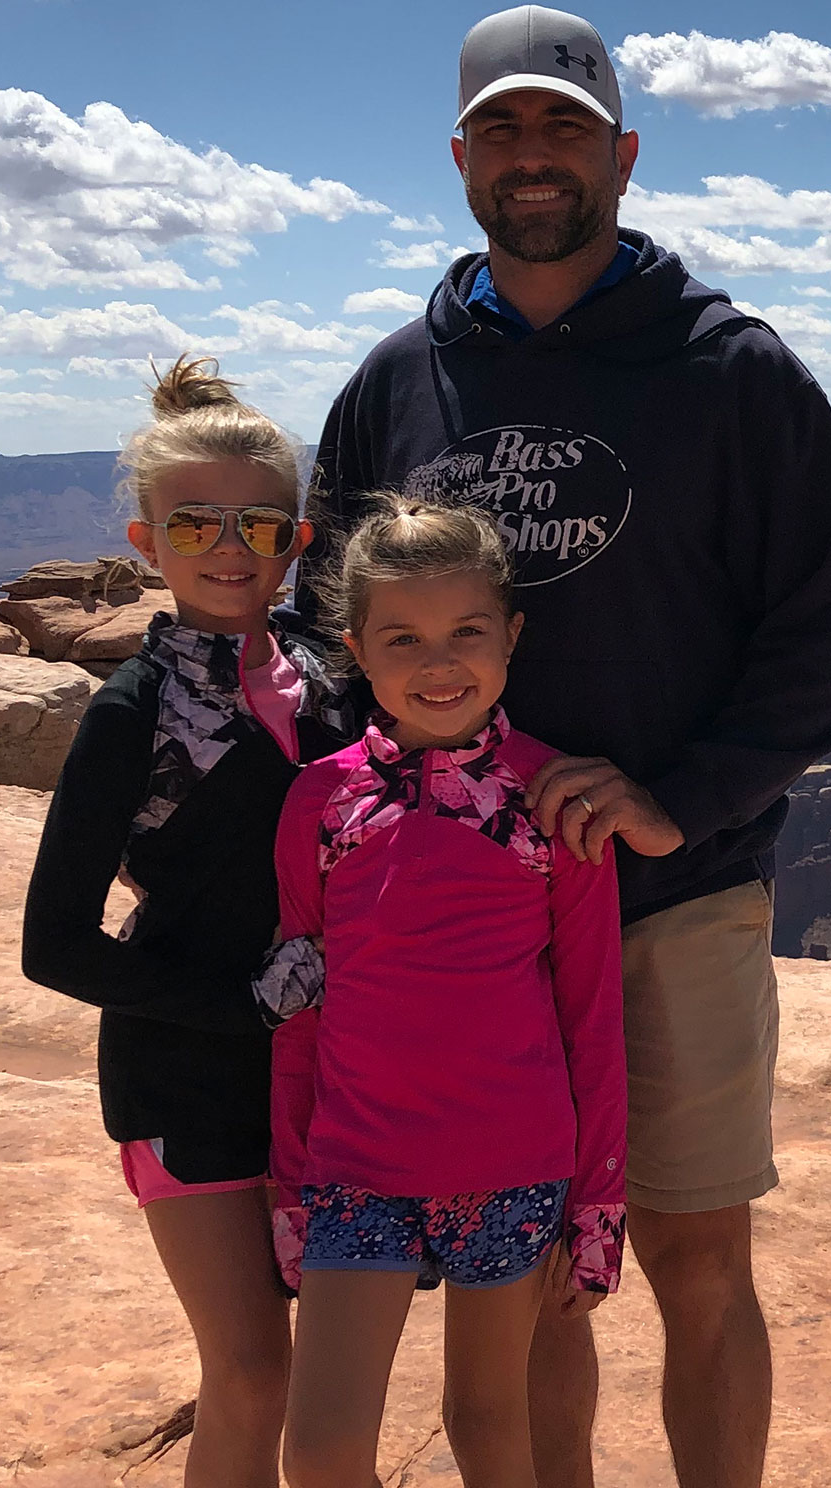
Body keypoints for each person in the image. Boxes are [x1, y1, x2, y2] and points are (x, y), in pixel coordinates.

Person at [297, 5, 831, 1487]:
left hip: (671, 896)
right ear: (458, 160)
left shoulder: (732, 373)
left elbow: (827, 637)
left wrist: (679, 802)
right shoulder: (395, 383)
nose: (532, 155)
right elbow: (325, 631)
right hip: (466, 926)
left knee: (695, 1249)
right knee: (531, 1272)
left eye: (563, 125)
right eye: (501, 128)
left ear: (622, 153)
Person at [22, 357, 354, 1488]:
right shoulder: (129, 715)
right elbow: (54, 944)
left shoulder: (330, 678)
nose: (228, 547)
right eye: (195, 522)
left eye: (260, 525)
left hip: (329, 1076)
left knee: (313, 1372)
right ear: (144, 541)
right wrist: (242, 1007)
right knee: (253, 1372)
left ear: (297, 544)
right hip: (185, 1077)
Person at [264, 496, 627, 1488]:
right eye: (404, 639)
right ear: (356, 653)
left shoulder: (555, 800)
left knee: (489, 1426)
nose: (440, 663)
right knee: (324, 1451)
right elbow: (301, 1005)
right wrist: (288, 1178)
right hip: (355, 1165)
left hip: (511, 1166)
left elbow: (592, 1016)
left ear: (512, 635)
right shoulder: (320, 803)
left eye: (468, 632)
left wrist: (597, 1199)